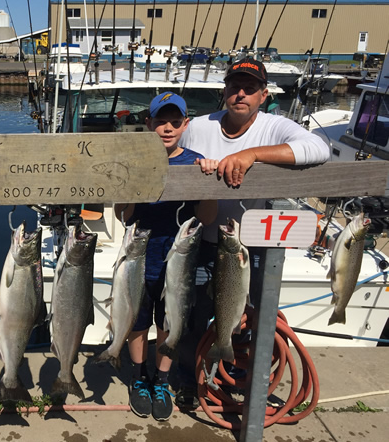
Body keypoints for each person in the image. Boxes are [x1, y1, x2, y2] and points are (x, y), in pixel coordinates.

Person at [173, 57, 330, 408]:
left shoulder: (276, 126)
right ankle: (189, 376)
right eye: (234, 87)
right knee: (191, 313)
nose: (240, 94)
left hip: (249, 248)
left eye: (250, 88)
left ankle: (239, 377)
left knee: (251, 313)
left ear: (263, 95)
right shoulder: (199, 126)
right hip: (201, 240)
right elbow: (169, 151)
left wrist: (251, 155)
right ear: (224, 92)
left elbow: (320, 149)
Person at [115, 92, 217, 421]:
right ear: (149, 124)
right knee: (137, 321)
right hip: (141, 257)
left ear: (185, 125)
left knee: (168, 322)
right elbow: (123, 215)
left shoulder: (197, 161)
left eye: (175, 122)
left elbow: (208, 217)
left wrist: (208, 184)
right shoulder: (135, 160)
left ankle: (161, 380)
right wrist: (131, 189)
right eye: (161, 121)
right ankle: (139, 377)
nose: (168, 128)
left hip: (181, 261)